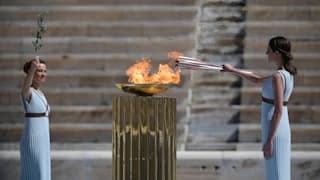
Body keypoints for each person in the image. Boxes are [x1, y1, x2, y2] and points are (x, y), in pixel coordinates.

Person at [222, 36, 297, 180]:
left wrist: (269, 140)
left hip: (274, 130)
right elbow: (256, 79)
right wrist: (233, 70)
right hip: (279, 128)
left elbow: (278, 110)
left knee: (277, 173)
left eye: (268, 50)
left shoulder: (277, 77)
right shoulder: (286, 74)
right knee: (278, 172)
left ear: (277, 53)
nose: (266, 53)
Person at [20, 56, 51, 180]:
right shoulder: (28, 92)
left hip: (43, 139)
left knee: (43, 171)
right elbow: (25, 87)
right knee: (33, 171)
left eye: (44, 71)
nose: (43, 73)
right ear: (31, 73)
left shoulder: (40, 93)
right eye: (40, 71)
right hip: (33, 139)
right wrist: (32, 69)